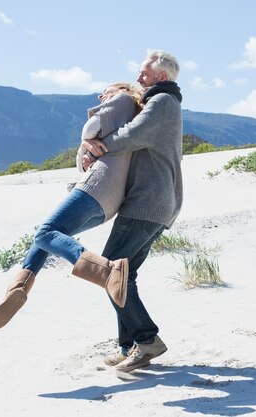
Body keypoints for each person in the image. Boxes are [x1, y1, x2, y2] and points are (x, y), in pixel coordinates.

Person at [0, 82, 143, 330]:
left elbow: (90, 128)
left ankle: (108, 271)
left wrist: (85, 139)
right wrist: (88, 146)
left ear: (121, 89)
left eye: (106, 91)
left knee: (45, 232)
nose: (101, 96)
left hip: (97, 187)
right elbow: (82, 165)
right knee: (49, 236)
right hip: (108, 201)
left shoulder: (123, 100)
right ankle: (18, 287)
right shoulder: (127, 116)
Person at [79, 50, 183, 372]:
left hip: (148, 202)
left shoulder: (163, 102)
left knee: (110, 270)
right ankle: (131, 347)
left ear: (161, 76)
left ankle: (148, 339)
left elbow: (133, 135)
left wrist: (98, 144)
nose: (138, 78)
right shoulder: (161, 101)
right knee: (125, 273)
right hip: (154, 202)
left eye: (143, 72)